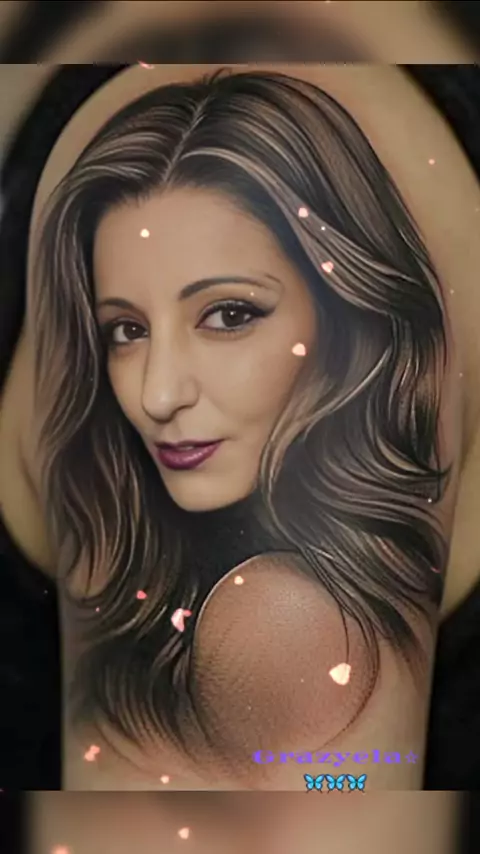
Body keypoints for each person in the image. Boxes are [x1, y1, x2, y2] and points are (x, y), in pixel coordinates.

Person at [0, 61, 477, 791]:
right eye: (126, 329)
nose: (158, 395)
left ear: (349, 314)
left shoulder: (286, 616)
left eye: (228, 315)